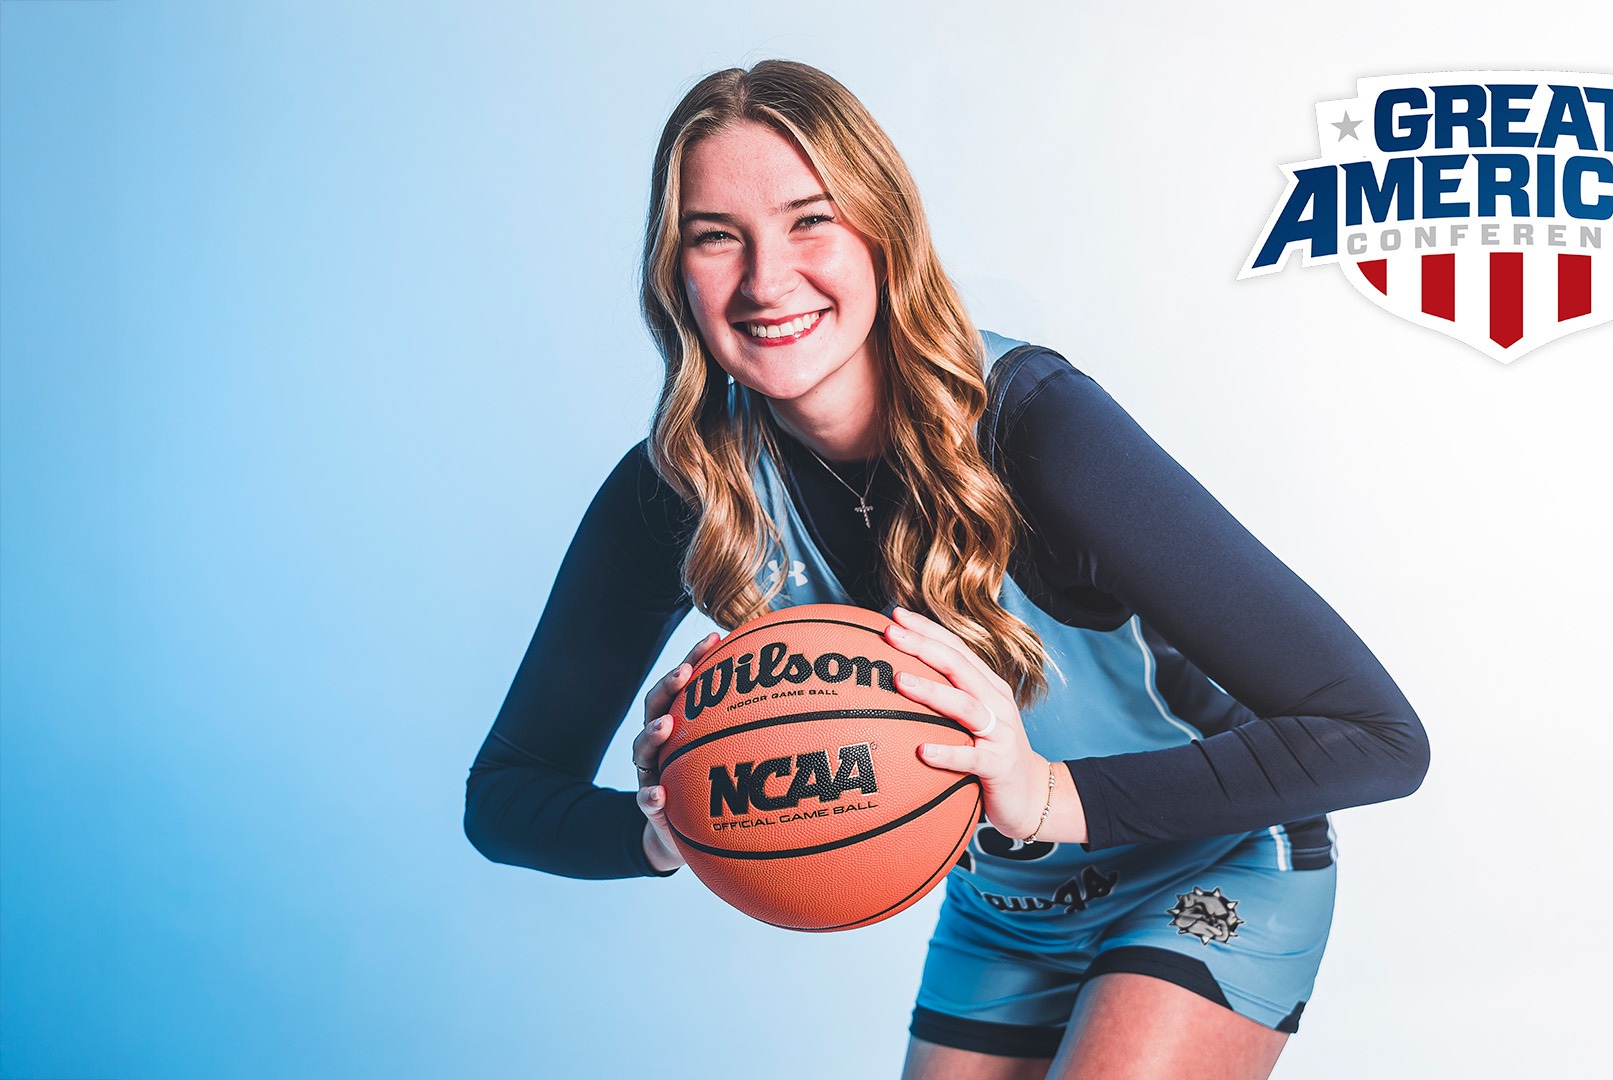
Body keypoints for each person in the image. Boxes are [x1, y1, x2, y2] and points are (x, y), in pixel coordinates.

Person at [464, 60, 1429, 1080]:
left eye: (810, 221)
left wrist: (1047, 794)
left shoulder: (1036, 424)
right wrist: (675, 826)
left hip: (1211, 863)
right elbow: (505, 797)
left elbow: (1376, 737)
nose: (765, 279)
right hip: (1008, 908)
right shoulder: (683, 482)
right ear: (675, 271)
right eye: (716, 236)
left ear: (883, 232)